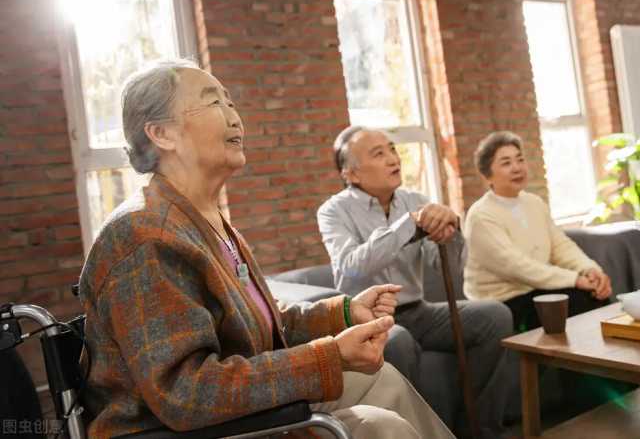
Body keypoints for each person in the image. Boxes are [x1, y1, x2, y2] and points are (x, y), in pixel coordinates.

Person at [78, 60, 454, 439]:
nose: (235, 118)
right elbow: (186, 395)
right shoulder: (144, 236)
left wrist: (342, 313)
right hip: (182, 430)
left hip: (236, 415)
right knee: (381, 427)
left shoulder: (206, 220)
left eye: (231, 103)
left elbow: (262, 325)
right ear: (162, 133)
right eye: (214, 103)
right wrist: (330, 357)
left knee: (383, 379)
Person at [317, 126, 513, 439]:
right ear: (351, 173)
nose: (393, 158)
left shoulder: (415, 200)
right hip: (369, 318)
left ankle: (480, 429)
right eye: (378, 154)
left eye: (392, 149)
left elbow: (445, 266)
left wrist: (450, 232)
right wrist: (408, 226)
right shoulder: (333, 211)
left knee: (494, 316)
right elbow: (350, 268)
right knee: (397, 339)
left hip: (418, 311)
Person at [463, 130, 612, 333]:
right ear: (487, 175)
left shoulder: (533, 203)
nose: (516, 168)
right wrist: (574, 280)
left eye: (520, 160)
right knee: (576, 301)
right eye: (506, 163)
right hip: (503, 301)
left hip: (537, 289)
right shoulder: (481, 215)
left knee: (595, 294)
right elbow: (518, 267)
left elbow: (561, 247)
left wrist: (590, 270)